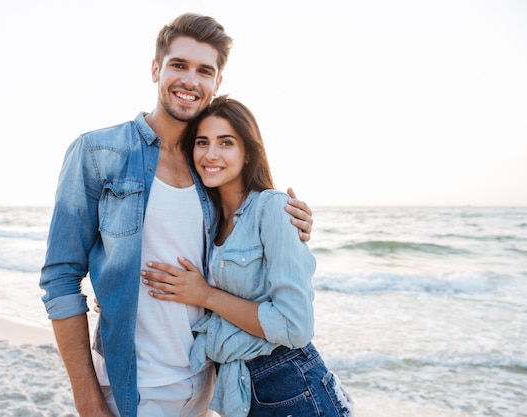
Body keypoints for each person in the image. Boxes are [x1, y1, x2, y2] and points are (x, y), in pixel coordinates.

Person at [39, 13, 313, 417]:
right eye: (178, 65)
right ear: (155, 69)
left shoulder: (210, 167)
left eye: (205, 70)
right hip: (132, 387)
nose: (190, 80)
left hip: (205, 383)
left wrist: (295, 225)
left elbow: (248, 245)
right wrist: (87, 400)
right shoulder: (99, 154)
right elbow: (60, 279)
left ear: (217, 83)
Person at [140, 95, 354, 417]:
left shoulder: (272, 208)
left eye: (226, 143)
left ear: (248, 152)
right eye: (202, 142)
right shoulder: (207, 219)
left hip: (293, 386)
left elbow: (295, 325)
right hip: (239, 391)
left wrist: (206, 295)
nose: (211, 154)